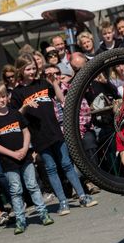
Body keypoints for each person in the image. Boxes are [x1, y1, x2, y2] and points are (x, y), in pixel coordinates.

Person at [10, 54, 98, 215]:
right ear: (20, 70)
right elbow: (15, 119)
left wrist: (55, 83)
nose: (31, 71)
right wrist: (24, 106)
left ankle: (82, 195)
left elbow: (61, 98)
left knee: (66, 164)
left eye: (33, 68)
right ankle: (63, 202)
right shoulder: (17, 93)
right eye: (28, 69)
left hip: (56, 131)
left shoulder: (43, 83)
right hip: (39, 136)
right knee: (51, 168)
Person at [0, 82, 54, 235]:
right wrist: (12, 153)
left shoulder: (15, 113)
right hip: (8, 162)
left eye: (4, 96)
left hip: (25, 157)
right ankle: (20, 220)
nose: (2, 100)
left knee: (32, 185)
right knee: (16, 190)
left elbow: (26, 132)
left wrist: (24, 148)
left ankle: (43, 213)